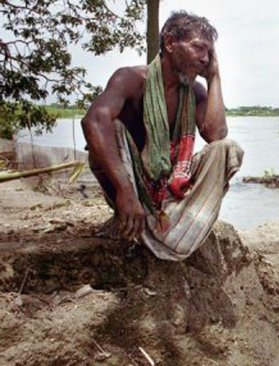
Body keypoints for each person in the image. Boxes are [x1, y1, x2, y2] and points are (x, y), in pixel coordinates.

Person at [82, 11, 243, 261]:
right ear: (169, 43)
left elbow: (216, 135)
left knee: (226, 149)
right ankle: (133, 214)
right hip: (129, 185)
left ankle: (177, 227)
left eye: (209, 53)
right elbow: (93, 120)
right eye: (198, 48)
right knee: (110, 127)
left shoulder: (195, 92)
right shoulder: (132, 79)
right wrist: (125, 191)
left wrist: (214, 77)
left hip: (167, 186)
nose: (204, 58)